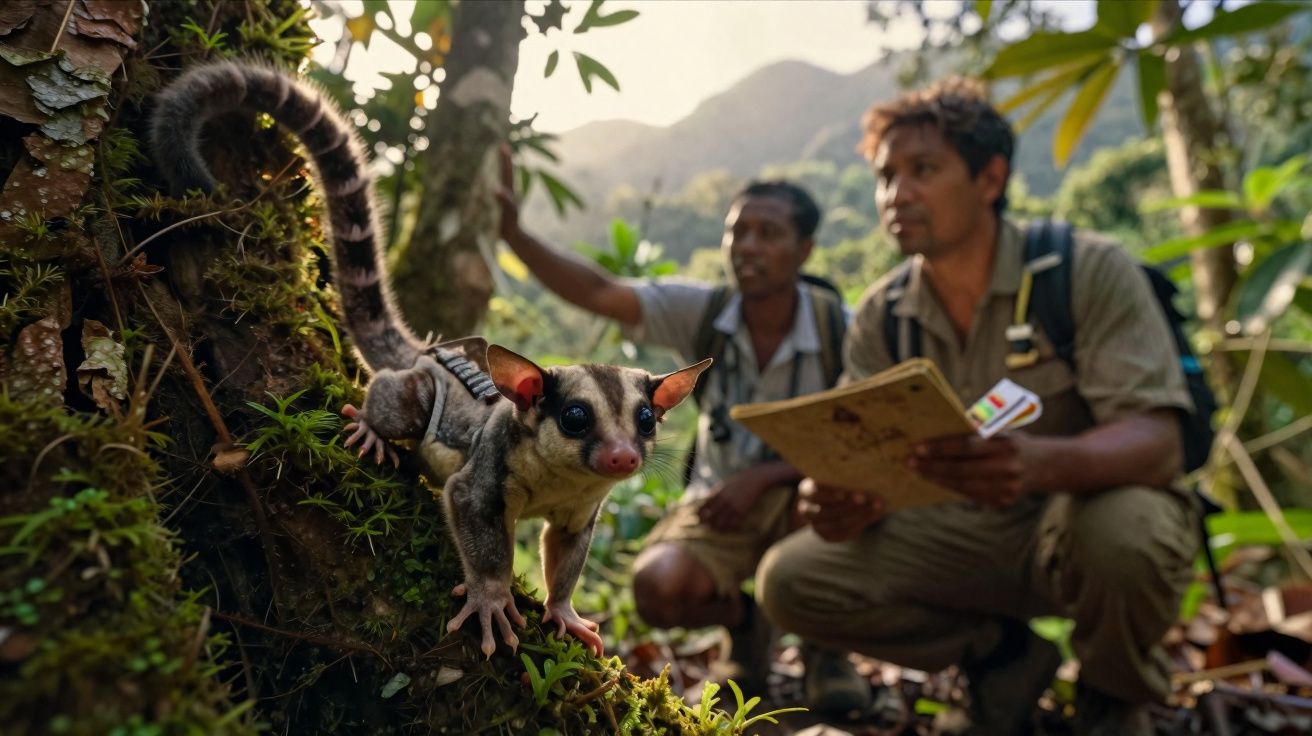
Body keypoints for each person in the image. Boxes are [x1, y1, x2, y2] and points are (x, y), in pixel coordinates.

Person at [755, 78, 1199, 736]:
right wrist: (837, 496)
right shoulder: (883, 315)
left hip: (1078, 522)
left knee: (1127, 531)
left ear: (990, 179)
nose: (896, 194)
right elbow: (864, 453)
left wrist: (1042, 464)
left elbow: (1159, 443)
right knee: (790, 580)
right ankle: (1002, 658)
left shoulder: (1082, 271)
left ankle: (1113, 696)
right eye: (886, 176)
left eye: (923, 171)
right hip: (955, 536)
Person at [496, 150, 872, 714]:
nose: (746, 246)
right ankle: (746, 626)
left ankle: (826, 650)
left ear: (805, 251)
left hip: (810, 494)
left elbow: (866, 438)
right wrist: (514, 233)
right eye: (737, 231)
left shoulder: (840, 326)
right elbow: (601, 291)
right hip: (718, 505)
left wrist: (765, 478)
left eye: (768, 233)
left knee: (824, 515)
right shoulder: (705, 311)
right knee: (658, 588)